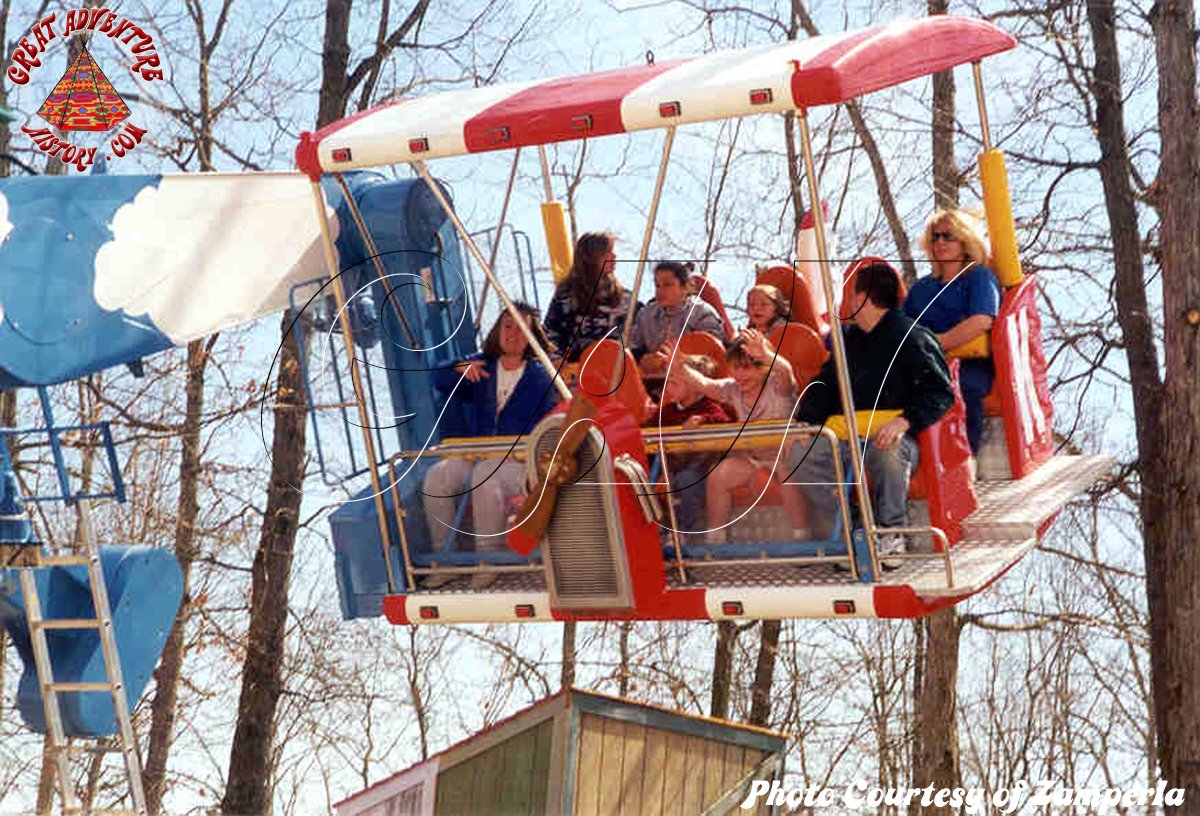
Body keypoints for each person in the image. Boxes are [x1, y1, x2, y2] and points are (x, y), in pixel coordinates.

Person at [790, 262, 954, 562]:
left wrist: (905, 422)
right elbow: (824, 384)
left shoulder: (913, 337)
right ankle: (851, 532)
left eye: (852, 295)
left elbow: (939, 391)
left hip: (893, 437)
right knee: (800, 456)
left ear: (862, 297)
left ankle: (891, 533)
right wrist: (807, 422)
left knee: (887, 452)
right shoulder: (847, 342)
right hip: (844, 436)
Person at [422, 303, 560, 587]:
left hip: (519, 461)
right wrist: (460, 368)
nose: (513, 334)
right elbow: (438, 377)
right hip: (477, 453)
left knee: (486, 475)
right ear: (497, 331)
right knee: (438, 477)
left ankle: (490, 558)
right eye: (508, 326)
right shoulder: (483, 365)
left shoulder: (541, 375)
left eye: (522, 329)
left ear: (532, 335)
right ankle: (445, 560)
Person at [680, 330, 807, 542]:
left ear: (764, 369)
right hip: (754, 457)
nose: (739, 375)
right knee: (718, 475)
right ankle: (716, 538)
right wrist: (680, 368)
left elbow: (786, 372)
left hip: (786, 455)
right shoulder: (733, 389)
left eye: (746, 368)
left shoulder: (777, 386)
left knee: (787, 471)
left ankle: (802, 535)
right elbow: (705, 385)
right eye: (735, 368)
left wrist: (766, 354)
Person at [904, 209, 1002, 454]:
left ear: (964, 239)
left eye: (948, 236)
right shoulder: (921, 289)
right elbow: (904, 329)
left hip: (970, 363)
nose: (940, 243)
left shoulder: (978, 276)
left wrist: (939, 342)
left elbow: (981, 320)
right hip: (928, 366)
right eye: (935, 237)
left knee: (964, 390)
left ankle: (968, 459)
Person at [647, 353, 733, 534]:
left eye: (676, 381)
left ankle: (684, 532)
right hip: (667, 465)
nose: (669, 384)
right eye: (668, 379)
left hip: (699, 466)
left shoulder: (710, 408)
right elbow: (647, 431)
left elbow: (724, 422)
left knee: (687, 480)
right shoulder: (666, 411)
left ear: (698, 387)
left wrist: (702, 420)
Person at [543, 231, 634, 362]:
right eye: (607, 253)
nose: (614, 256)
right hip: (578, 369)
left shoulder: (624, 297)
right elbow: (552, 331)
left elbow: (637, 332)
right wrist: (556, 359)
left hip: (617, 367)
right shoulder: (567, 295)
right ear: (591, 258)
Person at [633, 261, 726, 375]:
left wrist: (679, 360)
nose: (660, 291)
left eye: (667, 285)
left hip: (694, 383)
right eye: (657, 285)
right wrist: (643, 359)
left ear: (686, 287)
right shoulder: (646, 315)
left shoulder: (702, 313)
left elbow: (713, 356)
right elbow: (632, 347)